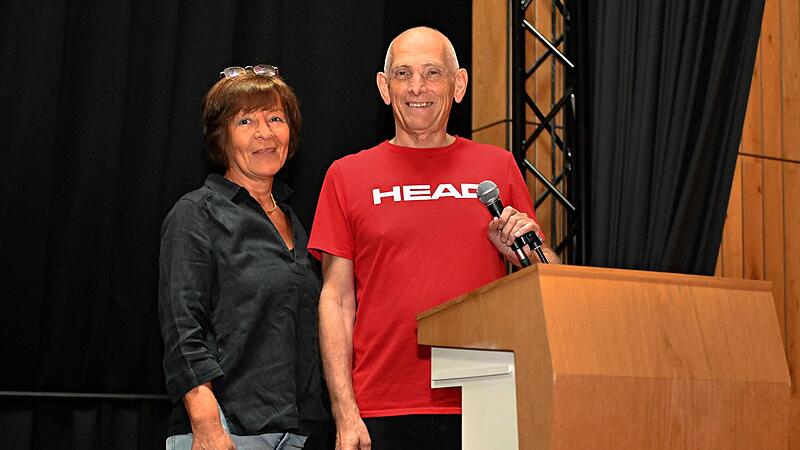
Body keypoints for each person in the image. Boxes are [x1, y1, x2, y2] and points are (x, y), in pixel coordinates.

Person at [308, 27, 559, 450]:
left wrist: (521, 251)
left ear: (458, 84)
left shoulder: (496, 168)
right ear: (384, 88)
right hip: (382, 407)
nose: (417, 87)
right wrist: (345, 412)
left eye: (432, 73)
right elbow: (336, 299)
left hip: (486, 397)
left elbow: (549, 284)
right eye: (403, 74)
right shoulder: (346, 175)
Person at [159, 65, 328, 450]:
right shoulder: (196, 213)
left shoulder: (296, 222)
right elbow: (182, 331)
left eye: (275, 118)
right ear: (222, 137)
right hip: (225, 431)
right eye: (245, 120)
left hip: (297, 433)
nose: (264, 133)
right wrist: (207, 426)